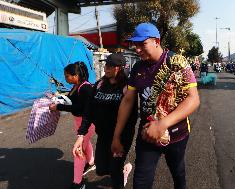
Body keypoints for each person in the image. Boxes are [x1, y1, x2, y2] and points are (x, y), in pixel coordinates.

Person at [111, 22, 200, 189]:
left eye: (142, 43)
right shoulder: (137, 67)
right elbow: (128, 100)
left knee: (178, 173)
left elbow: (193, 99)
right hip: (147, 134)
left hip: (176, 134)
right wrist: (117, 136)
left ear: (156, 41)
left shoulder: (176, 62)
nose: (137, 49)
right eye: (135, 44)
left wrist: (163, 124)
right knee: (140, 182)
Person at [73, 53, 138, 189]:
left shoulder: (127, 87)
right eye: (105, 65)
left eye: (110, 66)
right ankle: (122, 170)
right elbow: (88, 111)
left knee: (114, 170)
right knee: (101, 168)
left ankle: (120, 176)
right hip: (103, 135)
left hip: (121, 137)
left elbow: (131, 119)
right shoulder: (99, 84)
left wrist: (119, 139)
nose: (105, 68)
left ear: (119, 68)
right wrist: (81, 135)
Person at [49, 62, 95, 189]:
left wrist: (58, 106)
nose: (65, 78)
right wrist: (57, 97)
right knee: (86, 144)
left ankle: (78, 182)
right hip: (79, 122)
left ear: (76, 75)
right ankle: (91, 161)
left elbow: (79, 108)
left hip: (86, 124)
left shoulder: (86, 88)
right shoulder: (76, 86)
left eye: (67, 76)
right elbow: (71, 100)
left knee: (78, 152)